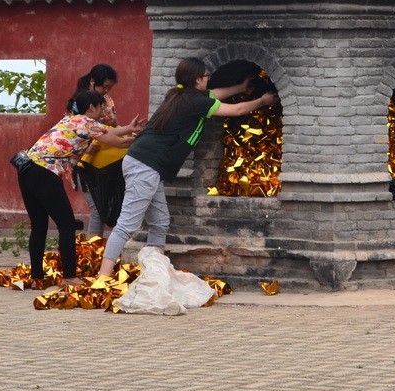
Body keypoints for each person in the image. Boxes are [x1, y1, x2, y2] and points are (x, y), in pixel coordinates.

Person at [96, 57, 278, 277]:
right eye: (206, 77)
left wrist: (241, 87)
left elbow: (216, 95)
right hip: (145, 165)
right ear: (197, 79)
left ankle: (155, 274)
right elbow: (238, 109)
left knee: (161, 222)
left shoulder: (179, 95)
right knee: (127, 225)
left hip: (147, 165)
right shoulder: (194, 102)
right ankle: (102, 279)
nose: (209, 80)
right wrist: (262, 101)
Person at [17, 89, 140, 286]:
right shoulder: (87, 123)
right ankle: (69, 276)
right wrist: (142, 138)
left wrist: (127, 128)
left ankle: (36, 277)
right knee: (66, 225)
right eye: (101, 108)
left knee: (39, 226)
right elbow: (117, 143)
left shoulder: (70, 120)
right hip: (46, 172)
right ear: (92, 107)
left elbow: (106, 132)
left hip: (26, 169)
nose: (102, 112)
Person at [66, 64, 144, 236]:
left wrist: (128, 130)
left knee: (107, 204)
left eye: (110, 87)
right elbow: (78, 135)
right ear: (93, 82)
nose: (107, 91)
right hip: (87, 161)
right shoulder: (80, 103)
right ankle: (93, 251)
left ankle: (99, 250)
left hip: (109, 161)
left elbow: (111, 128)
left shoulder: (107, 100)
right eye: (104, 86)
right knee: (97, 207)